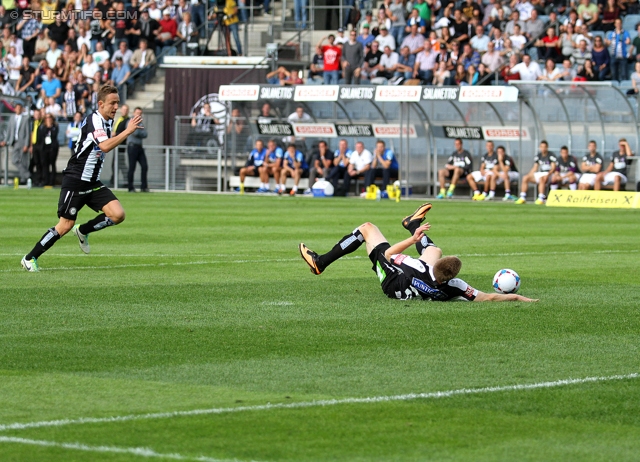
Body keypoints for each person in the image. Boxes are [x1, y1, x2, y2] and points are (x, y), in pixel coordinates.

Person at [299, 203, 538, 302]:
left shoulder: (416, 265)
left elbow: (390, 254)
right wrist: (518, 298)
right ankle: (412, 222)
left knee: (367, 228)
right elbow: (487, 297)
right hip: (417, 283)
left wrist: (412, 240)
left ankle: (320, 263)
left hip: (392, 280)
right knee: (435, 248)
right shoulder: (454, 286)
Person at [20, 85, 144, 272]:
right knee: (64, 225)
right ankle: (30, 258)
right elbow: (104, 146)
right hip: (76, 180)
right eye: (112, 103)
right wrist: (127, 131)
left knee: (118, 214)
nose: (116, 107)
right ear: (101, 104)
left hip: (92, 182)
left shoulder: (107, 121)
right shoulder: (95, 121)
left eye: (118, 103)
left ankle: (83, 230)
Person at [515, 140, 557, 205]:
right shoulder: (538, 156)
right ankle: (522, 197)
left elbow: (553, 167)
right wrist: (529, 174)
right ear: (540, 147)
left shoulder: (551, 155)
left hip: (549, 174)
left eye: (544, 147)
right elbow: (535, 167)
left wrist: (548, 174)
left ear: (547, 147)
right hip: (540, 173)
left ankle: (541, 198)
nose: (543, 148)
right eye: (542, 147)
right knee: (525, 178)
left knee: (541, 179)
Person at [0, 102, 31, 184]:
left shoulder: (25, 118)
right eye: (17, 108)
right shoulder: (12, 118)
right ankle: (27, 174)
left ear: (21, 109)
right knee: (14, 160)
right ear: (15, 109)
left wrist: (26, 144)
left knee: (23, 161)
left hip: (22, 141)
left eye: (19, 108)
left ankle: (24, 179)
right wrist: (5, 140)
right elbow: (9, 131)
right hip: (14, 141)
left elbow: (28, 132)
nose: (18, 109)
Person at [126, 107, 149, 193]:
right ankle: (130, 187)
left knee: (144, 166)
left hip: (139, 147)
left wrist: (139, 130)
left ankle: (144, 187)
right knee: (132, 167)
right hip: (132, 147)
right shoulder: (130, 122)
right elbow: (134, 132)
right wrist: (139, 130)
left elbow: (145, 134)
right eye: (137, 113)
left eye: (140, 113)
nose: (139, 115)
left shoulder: (141, 123)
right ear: (133, 113)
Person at [36, 113, 59, 187]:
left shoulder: (55, 127)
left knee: (52, 164)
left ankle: (52, 181)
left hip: (52, 148)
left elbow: (54, 135)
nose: (48, 119)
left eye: (49, 118)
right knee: (45, 164)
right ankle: (45, 180)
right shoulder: (41, 127)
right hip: (44, 148)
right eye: (46, 118)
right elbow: (40, 137)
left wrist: (50, 128)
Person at [605, 18, 631, 82]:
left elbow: (628, 40)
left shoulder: (625, 33)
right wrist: (607, 42)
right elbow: (608, 43)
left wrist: (628, 41)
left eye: (619, 23)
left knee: (624, 74)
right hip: (614, 55)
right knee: (614, 74)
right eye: (617, 23)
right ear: (615, 24)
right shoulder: (612, 34)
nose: (618, 24)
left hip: (622, 55)